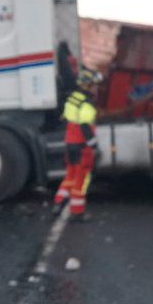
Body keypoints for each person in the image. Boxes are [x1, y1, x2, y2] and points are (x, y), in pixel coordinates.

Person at [54, 69, 101, 219]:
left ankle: (58, 203)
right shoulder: (86, 105)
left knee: (70, 176)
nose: (96, 88)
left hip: (70, 144)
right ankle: (77, 212)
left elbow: (65, 118)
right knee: (80, 181)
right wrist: (94, 146)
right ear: (87, 86)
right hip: (82, 147)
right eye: (94, 85)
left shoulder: (73, 99)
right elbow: (85, 127)